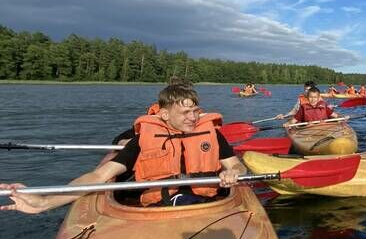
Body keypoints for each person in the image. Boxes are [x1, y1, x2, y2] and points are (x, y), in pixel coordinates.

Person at [1, 84, 246, 213]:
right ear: (163, 114)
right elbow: (98, 176)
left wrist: (233, 172)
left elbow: (237, 165)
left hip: (209, 205)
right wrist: (44, 202)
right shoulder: (143, 140)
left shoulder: (212, 134)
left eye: (195, 111)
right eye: (185, 112)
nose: (193, 117)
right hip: (161, 208)